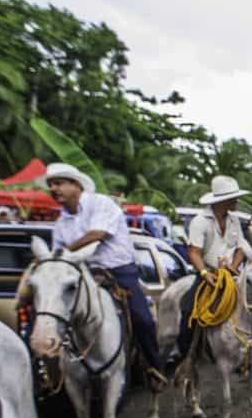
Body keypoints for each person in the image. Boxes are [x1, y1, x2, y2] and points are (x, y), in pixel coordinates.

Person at [37, 163, 168, 392]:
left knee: (142, 320)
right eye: (51, 185)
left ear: (75, 185)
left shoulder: (101, 203)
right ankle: (46, 371)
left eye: (58, 183)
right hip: (81, 272)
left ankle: (153, 368)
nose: (54, 189)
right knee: (45, 310)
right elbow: (57, 258)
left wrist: (65, 252)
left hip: (118, 270)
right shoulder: (60, 224)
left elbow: (98, 234)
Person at [176, 175, 247, 359]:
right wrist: (205, 273)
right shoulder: (200, 221)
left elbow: (241, 248)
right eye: (234, 198)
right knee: (188, 311)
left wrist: (234, 265)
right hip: (207, 275)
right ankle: (187, 357)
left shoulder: (235, 221)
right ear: (223, 201)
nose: (237, 201)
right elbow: (193, 252)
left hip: (232, 276)